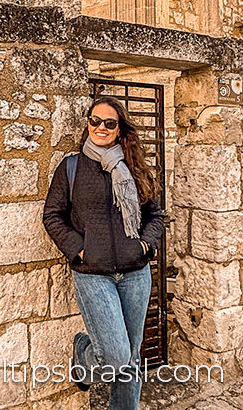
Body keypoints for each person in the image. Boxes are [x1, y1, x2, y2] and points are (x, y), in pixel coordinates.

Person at [42, 95, 166, 410]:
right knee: (115, 356)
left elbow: (156, 216)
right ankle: (83, 353)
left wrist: (144, 245)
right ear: (88, 124)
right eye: (94, 120)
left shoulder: (134, 167)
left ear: (119, 128)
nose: (100, 127)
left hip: (135, 274)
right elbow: (52, 216)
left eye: (109, 123)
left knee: (132, 356)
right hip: (93, 275)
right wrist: (80, 251)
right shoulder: (71, 167)